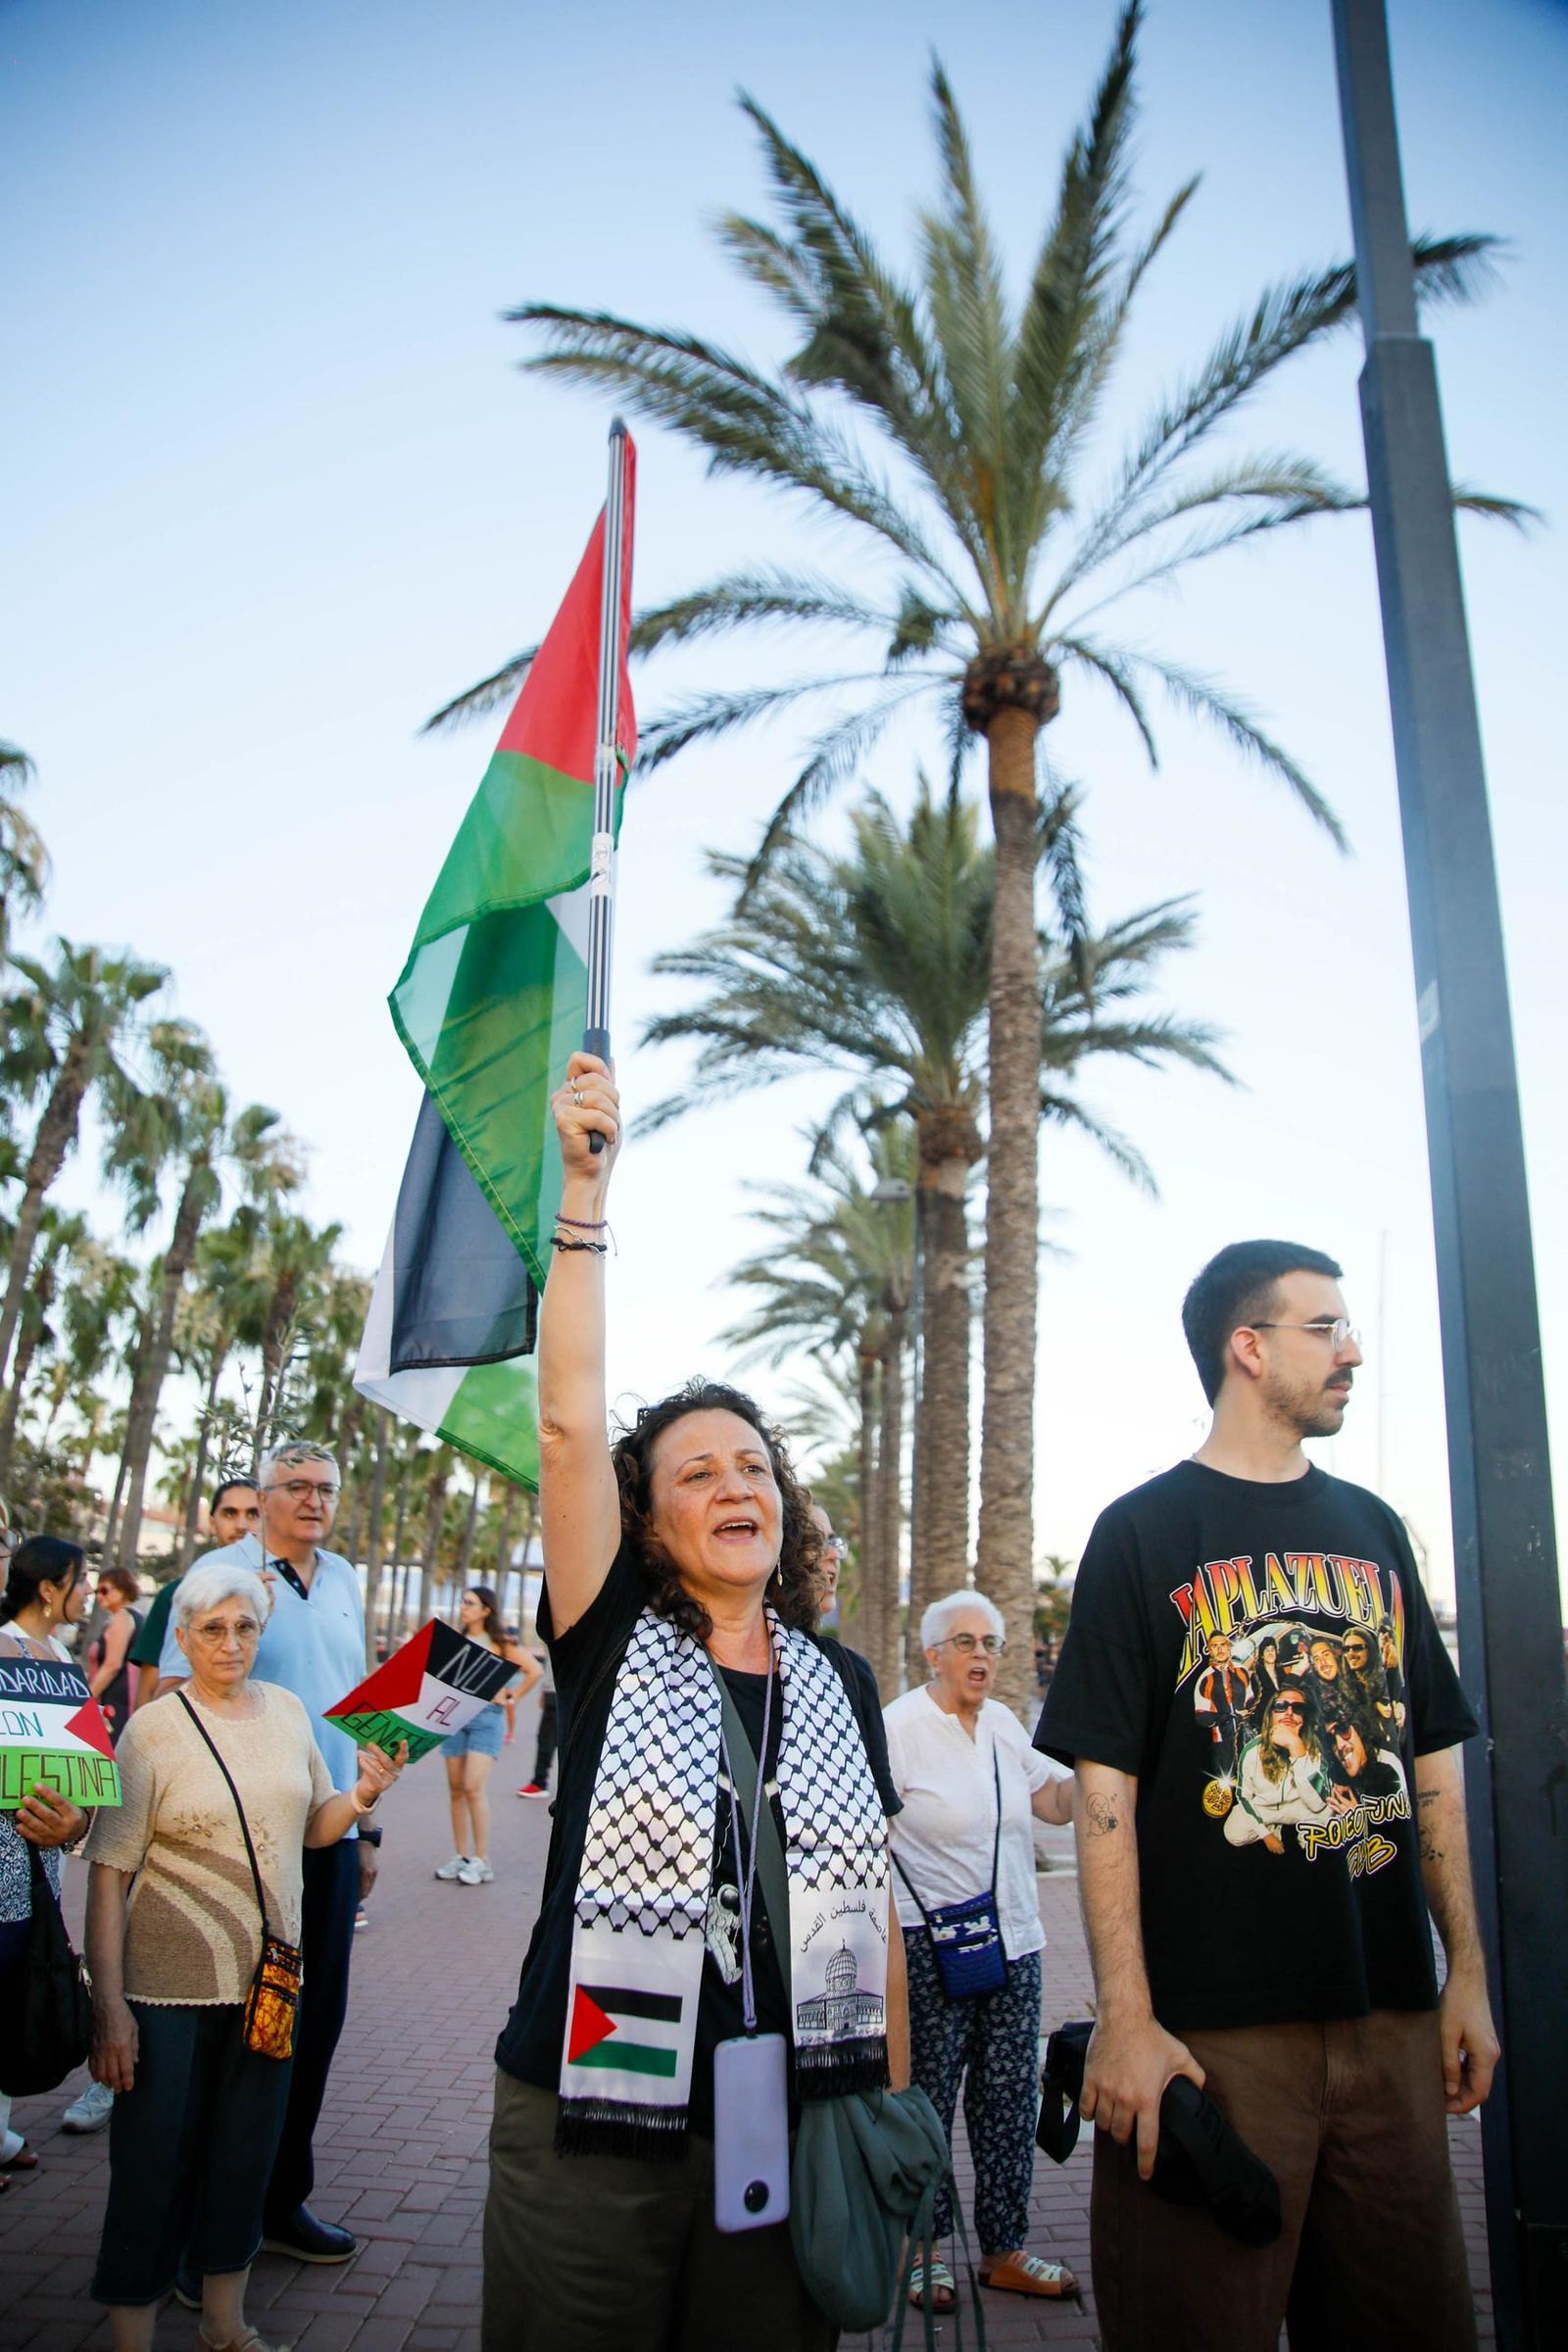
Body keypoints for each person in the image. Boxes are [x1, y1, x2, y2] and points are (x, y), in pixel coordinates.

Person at [482, 1052, 909, 2352]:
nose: (739, 1485)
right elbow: (564, 1423)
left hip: (788, 2119)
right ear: (648, 1522)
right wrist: (584, 1200)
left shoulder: (840, 1682)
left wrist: (889, 2106)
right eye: (698, 1472)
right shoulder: (611, 1641)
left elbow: (875, 1900)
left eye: (756, 1466)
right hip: (592, 2122)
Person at [1037, 1239, 1496, 2352]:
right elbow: (1106, 1801)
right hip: (1213, 2042)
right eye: (1324, 1328)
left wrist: (1466, 1974)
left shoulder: (1377, 1530)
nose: (1352, 1353)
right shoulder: (1142, 1533)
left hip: (1387, 2019)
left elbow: (1428, 1766)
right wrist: (1128, 2023)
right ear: (1248, 1348)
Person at [85, 1560, 405, 2351]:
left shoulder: (291, 1712)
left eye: (246, 1627)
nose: (231, 1643)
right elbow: (108, 1874)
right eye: (213, 1629)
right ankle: (132, 2336)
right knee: (152, 2166)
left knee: (242, 2157)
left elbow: (314, 1828)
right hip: (166, 1993)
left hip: (268, 1985)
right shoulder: (153, 1729)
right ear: (185, 1636)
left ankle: (225, 2327)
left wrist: (363, 1795)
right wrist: (110, 2007)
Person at [156, 1440, 369, 2268]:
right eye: (297, 1486)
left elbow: (347, 1709)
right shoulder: (222, 1574)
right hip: (244, 1843)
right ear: (266, 1494)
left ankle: (281, 2202)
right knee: (234, 2031)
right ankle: (200, 2229)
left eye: (327, 1487)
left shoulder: (346, 1577)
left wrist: (367, 1827)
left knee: (312, 2026)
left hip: (332, 1833)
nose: (314, 1499)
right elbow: (177, 1700)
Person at [884, 1591, 1076, 2312]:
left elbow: (1051, 1803)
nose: (982, 1657)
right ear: (932, 1654)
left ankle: (1003, 2249)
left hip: (1014, 1944)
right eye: (965, 1642)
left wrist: (1097, 1766)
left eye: (992, 1643)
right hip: (930, 1944)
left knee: (1006, 2101)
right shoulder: (899, 1727)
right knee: (927, 2101)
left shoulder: (1000, 1723)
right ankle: (923, 2254)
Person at [0, 1529, 96, 2184]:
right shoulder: (2, 1651)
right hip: (4, 1851)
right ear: (48, 1587)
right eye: (79, 1579)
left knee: (17, 1983)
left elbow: (87, 1769)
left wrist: (75, 1822)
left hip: (44, 1856)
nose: (87, 1591)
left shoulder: (64, 1659)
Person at [435, 1585, 538, 1884]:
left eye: (470, 1603)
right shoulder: (456, 1640)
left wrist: (512, 1696)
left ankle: (482, 1860)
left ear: (486, 1610)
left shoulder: (499, 1642)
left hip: (486, 1720)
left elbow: (533, 1670)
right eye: (463, 1602)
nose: (464, 1607)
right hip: (455, 1718)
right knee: (455, 1789)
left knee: (472, 1787)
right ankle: (461, 1856)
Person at [129, 1481, 262, 1712]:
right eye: (230, 1513)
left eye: (253, 1514)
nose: (242, 1525)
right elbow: (150, 1695)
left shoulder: (296, 1591)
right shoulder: (178, 1594)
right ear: (212, 1523)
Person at [87, 1565, 142, 1742]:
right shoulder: (137, 1616)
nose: (99, 1596)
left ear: (121, 1589)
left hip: (115, 1703)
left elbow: (113, 1664)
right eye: (97, 1591)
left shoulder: (121, 1617)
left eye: (104, 1590)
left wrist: (87, 1699)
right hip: (128, 1699)